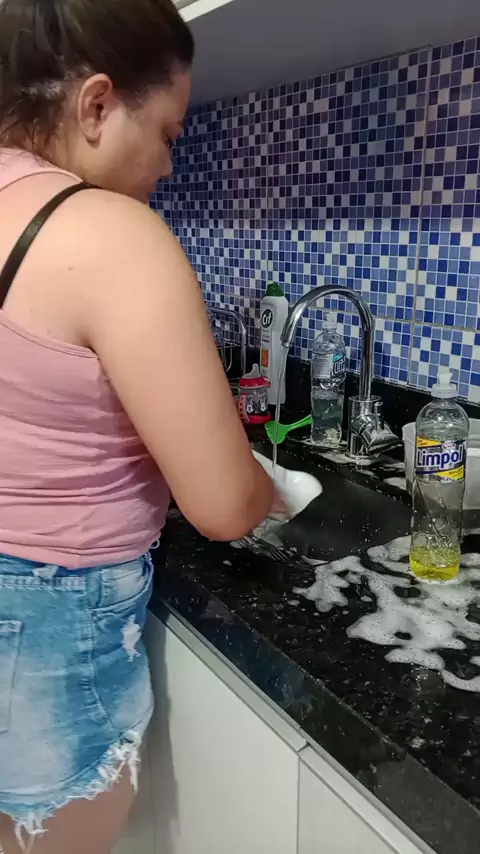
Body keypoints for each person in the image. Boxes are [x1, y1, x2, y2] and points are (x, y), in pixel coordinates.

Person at [0, 1, 276, 851]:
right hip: (47, 628)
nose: (165, 163)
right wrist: (271, 485)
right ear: (96, 104)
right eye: (166, 132)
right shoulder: (112, 232)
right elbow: (223, 505)